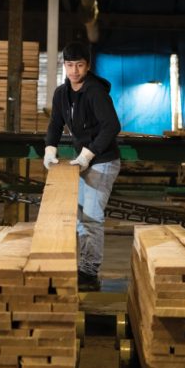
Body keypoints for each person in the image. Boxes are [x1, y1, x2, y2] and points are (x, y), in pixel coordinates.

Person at [43, 41, 122, 291]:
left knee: (91, 217)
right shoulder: (61, 94)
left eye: (79, 65)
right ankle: (81, 265)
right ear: (64, 66)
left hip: (103, 161)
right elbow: (55, 124)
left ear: (87, 66)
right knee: (79, 216)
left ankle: (89, 272)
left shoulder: (95, 91)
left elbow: (112, 126)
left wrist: (89, 154)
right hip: (83, 162)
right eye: (69, 65)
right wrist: (50, 148)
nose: (74, 71)